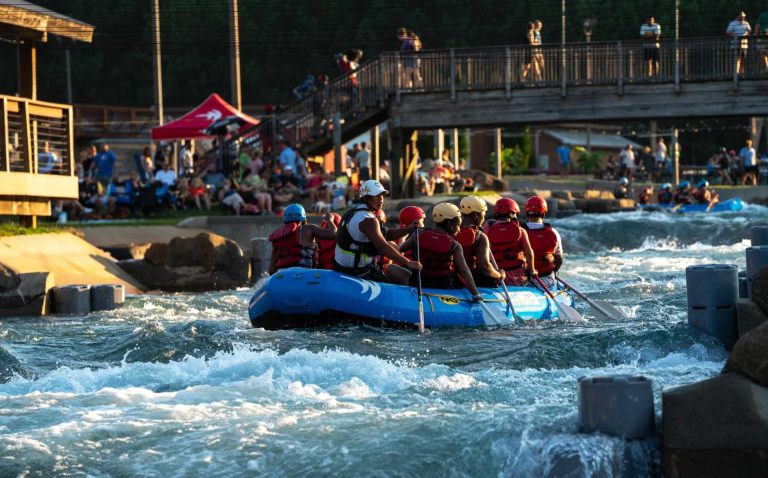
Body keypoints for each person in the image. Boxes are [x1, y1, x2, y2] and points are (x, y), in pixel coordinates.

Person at [333, 179, 422, 284]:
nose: (381, 199)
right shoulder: (368, 220)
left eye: (382, 195)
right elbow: (383, 247)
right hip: (357, 272)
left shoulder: (354, 212)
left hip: (341, 266)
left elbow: (387, 234)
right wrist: (408, 262)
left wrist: (408, 228)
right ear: (365, 198)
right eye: (377, 196)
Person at [398, 203, 482, 299]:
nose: (459, 229)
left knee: (391, 268)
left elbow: (401, 249)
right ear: (449, 224)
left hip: (419, 282)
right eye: (458, 225)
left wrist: (403, 239)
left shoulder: (418, 235)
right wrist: (476, 294)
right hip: (443, 286)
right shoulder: (455, 245)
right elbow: (464, 271)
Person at [268, 205, 338, 274]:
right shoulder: (308, 228)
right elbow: (334, 234)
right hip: (303, 274)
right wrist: (330, 220)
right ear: (303, 216)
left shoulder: (277, 236)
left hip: (281, 275)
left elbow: (271, 270)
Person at [485, 198, 535, 286]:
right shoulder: (521, 231)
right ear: (512, 214)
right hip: (518, 278)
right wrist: (531, 270)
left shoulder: (487, 229)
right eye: (515, 213)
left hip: (497, 276)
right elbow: (529, 252)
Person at [457, 195, 504, 288]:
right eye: (483, 215)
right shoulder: (480, 236)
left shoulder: (450, 231)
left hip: (452, 278)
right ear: (476, 215)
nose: (483, 218)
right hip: (471, 279)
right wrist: (499, 274)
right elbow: (484, 267)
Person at [522, 196, 563, 289]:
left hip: (523, 280)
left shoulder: (519, 232)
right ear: (544, 214)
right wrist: (553, 271)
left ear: (527, 213)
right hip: (547, 279)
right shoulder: (554, 232)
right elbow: (559, 260)